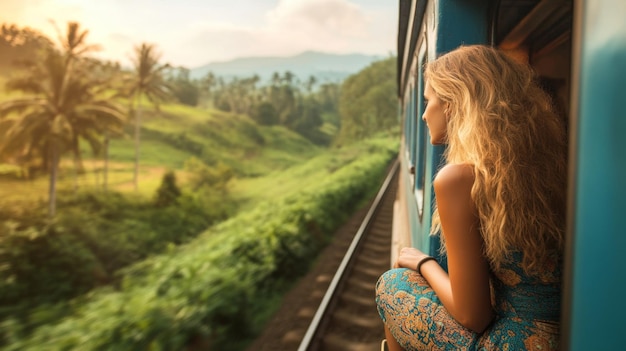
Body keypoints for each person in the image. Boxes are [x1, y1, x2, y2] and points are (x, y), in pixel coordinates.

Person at [375, 45, 567, 351]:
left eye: (429, 102)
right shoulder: (553, 167)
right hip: (571, 331)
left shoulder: (459, 178)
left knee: (392, 284)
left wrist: (423, 262)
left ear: (452, 104)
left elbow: (472, 316)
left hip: (515, 343)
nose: (424, 115)